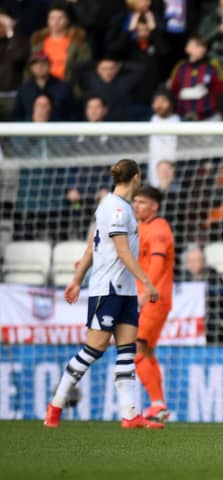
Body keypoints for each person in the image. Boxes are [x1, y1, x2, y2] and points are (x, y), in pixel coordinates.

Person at [45, 159, 163, 429]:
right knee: (94, 349)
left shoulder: (112, 206)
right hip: (108, 289)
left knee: (126, 350)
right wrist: (147, 282)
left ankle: (130, 415)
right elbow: (122, 252)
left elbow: (91, 246)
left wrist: (76, 280)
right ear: (136, 177)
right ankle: (55, 407)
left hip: (125, 291)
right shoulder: (117, 209)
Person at [132, 185, 175, 422]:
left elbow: (158, 264)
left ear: (154, 206)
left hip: (154, 299)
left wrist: (147, 291)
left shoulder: (159, 229)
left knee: (135, 348)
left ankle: (158, 404)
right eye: (135, 201)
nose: (137, 205)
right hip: (146, 297)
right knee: (145, 351)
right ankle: (159, 405)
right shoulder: (141, 227)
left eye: (142, 202)